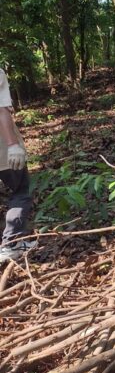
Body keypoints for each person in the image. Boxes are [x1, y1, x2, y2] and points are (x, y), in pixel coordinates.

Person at [0, 68, 34, 263]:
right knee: (20, 191)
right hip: (4, 150)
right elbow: (1, 110)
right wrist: (13, 145)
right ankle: (11, 243)